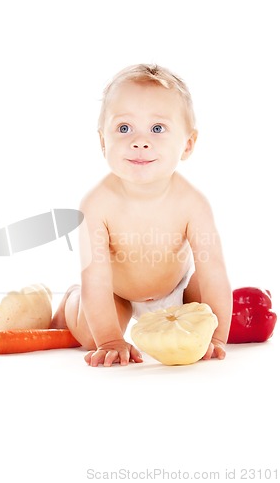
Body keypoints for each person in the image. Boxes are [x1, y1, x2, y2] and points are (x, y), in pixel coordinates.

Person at [51, 64, 232, 367]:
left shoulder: (193, 203)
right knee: (90, 337)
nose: (140, 141)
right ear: (102, 141)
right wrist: (110, 340)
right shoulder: (96, 204)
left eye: (158, 129)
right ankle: (71, 302)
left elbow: (213, 270)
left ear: (187, 144)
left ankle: (207, 325)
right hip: (118, 293)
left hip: (177, 290)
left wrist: (216, 338)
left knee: (207, 282)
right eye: (124, 128)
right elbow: (95, 275)